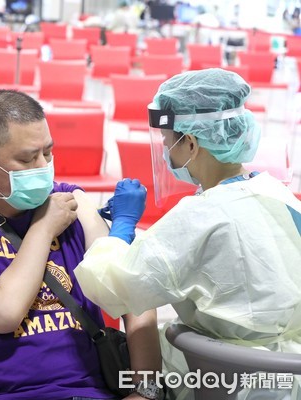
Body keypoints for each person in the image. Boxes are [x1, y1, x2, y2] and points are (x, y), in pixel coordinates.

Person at [0, 89, 163, 400]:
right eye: (27, 158)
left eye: (47, 153)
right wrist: (43, 228)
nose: (44, 167)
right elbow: (5, 313)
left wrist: (147, 391)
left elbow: (130, 287)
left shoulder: (71, 201)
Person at [75, 68, 301, 400]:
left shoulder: (199, 216)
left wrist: (121, 228)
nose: (166, 152)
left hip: (225, 379)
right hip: (288, 372)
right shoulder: (276, 193)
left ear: (192, 143)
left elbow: (114, 288)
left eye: (168, 142)